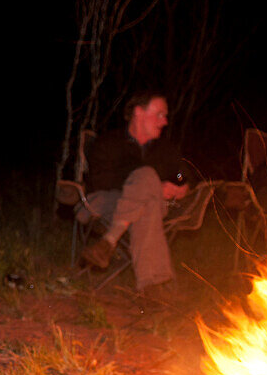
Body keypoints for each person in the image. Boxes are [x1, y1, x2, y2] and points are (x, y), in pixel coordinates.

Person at [77, 90, 192, 296]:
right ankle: (153, 286)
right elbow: (101, 180)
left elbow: (181, 174)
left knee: (147, 198)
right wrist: (152, 184)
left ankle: (108, 241)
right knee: (146, 187)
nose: (164, 121)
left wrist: (182, 185)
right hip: (106, 201)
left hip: (145, 206)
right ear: (138, 113)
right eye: (160, 114)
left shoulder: (166, 148)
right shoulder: (108, 142)